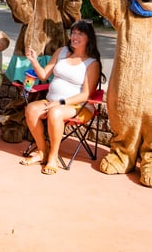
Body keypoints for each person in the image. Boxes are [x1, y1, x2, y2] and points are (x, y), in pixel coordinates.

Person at [19, 19, 106, 175]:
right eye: (73, 33)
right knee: (31, 109)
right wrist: (33, 60)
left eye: (80, 34)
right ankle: (42, 151)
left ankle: (53, 157)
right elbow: (44, 75)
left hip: (79, 107)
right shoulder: (61, 52)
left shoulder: (92, 63)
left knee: (55, 113)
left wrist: (60, 103)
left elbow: (85, 94)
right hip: (51, 101)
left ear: (89, 38)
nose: (74, 37)